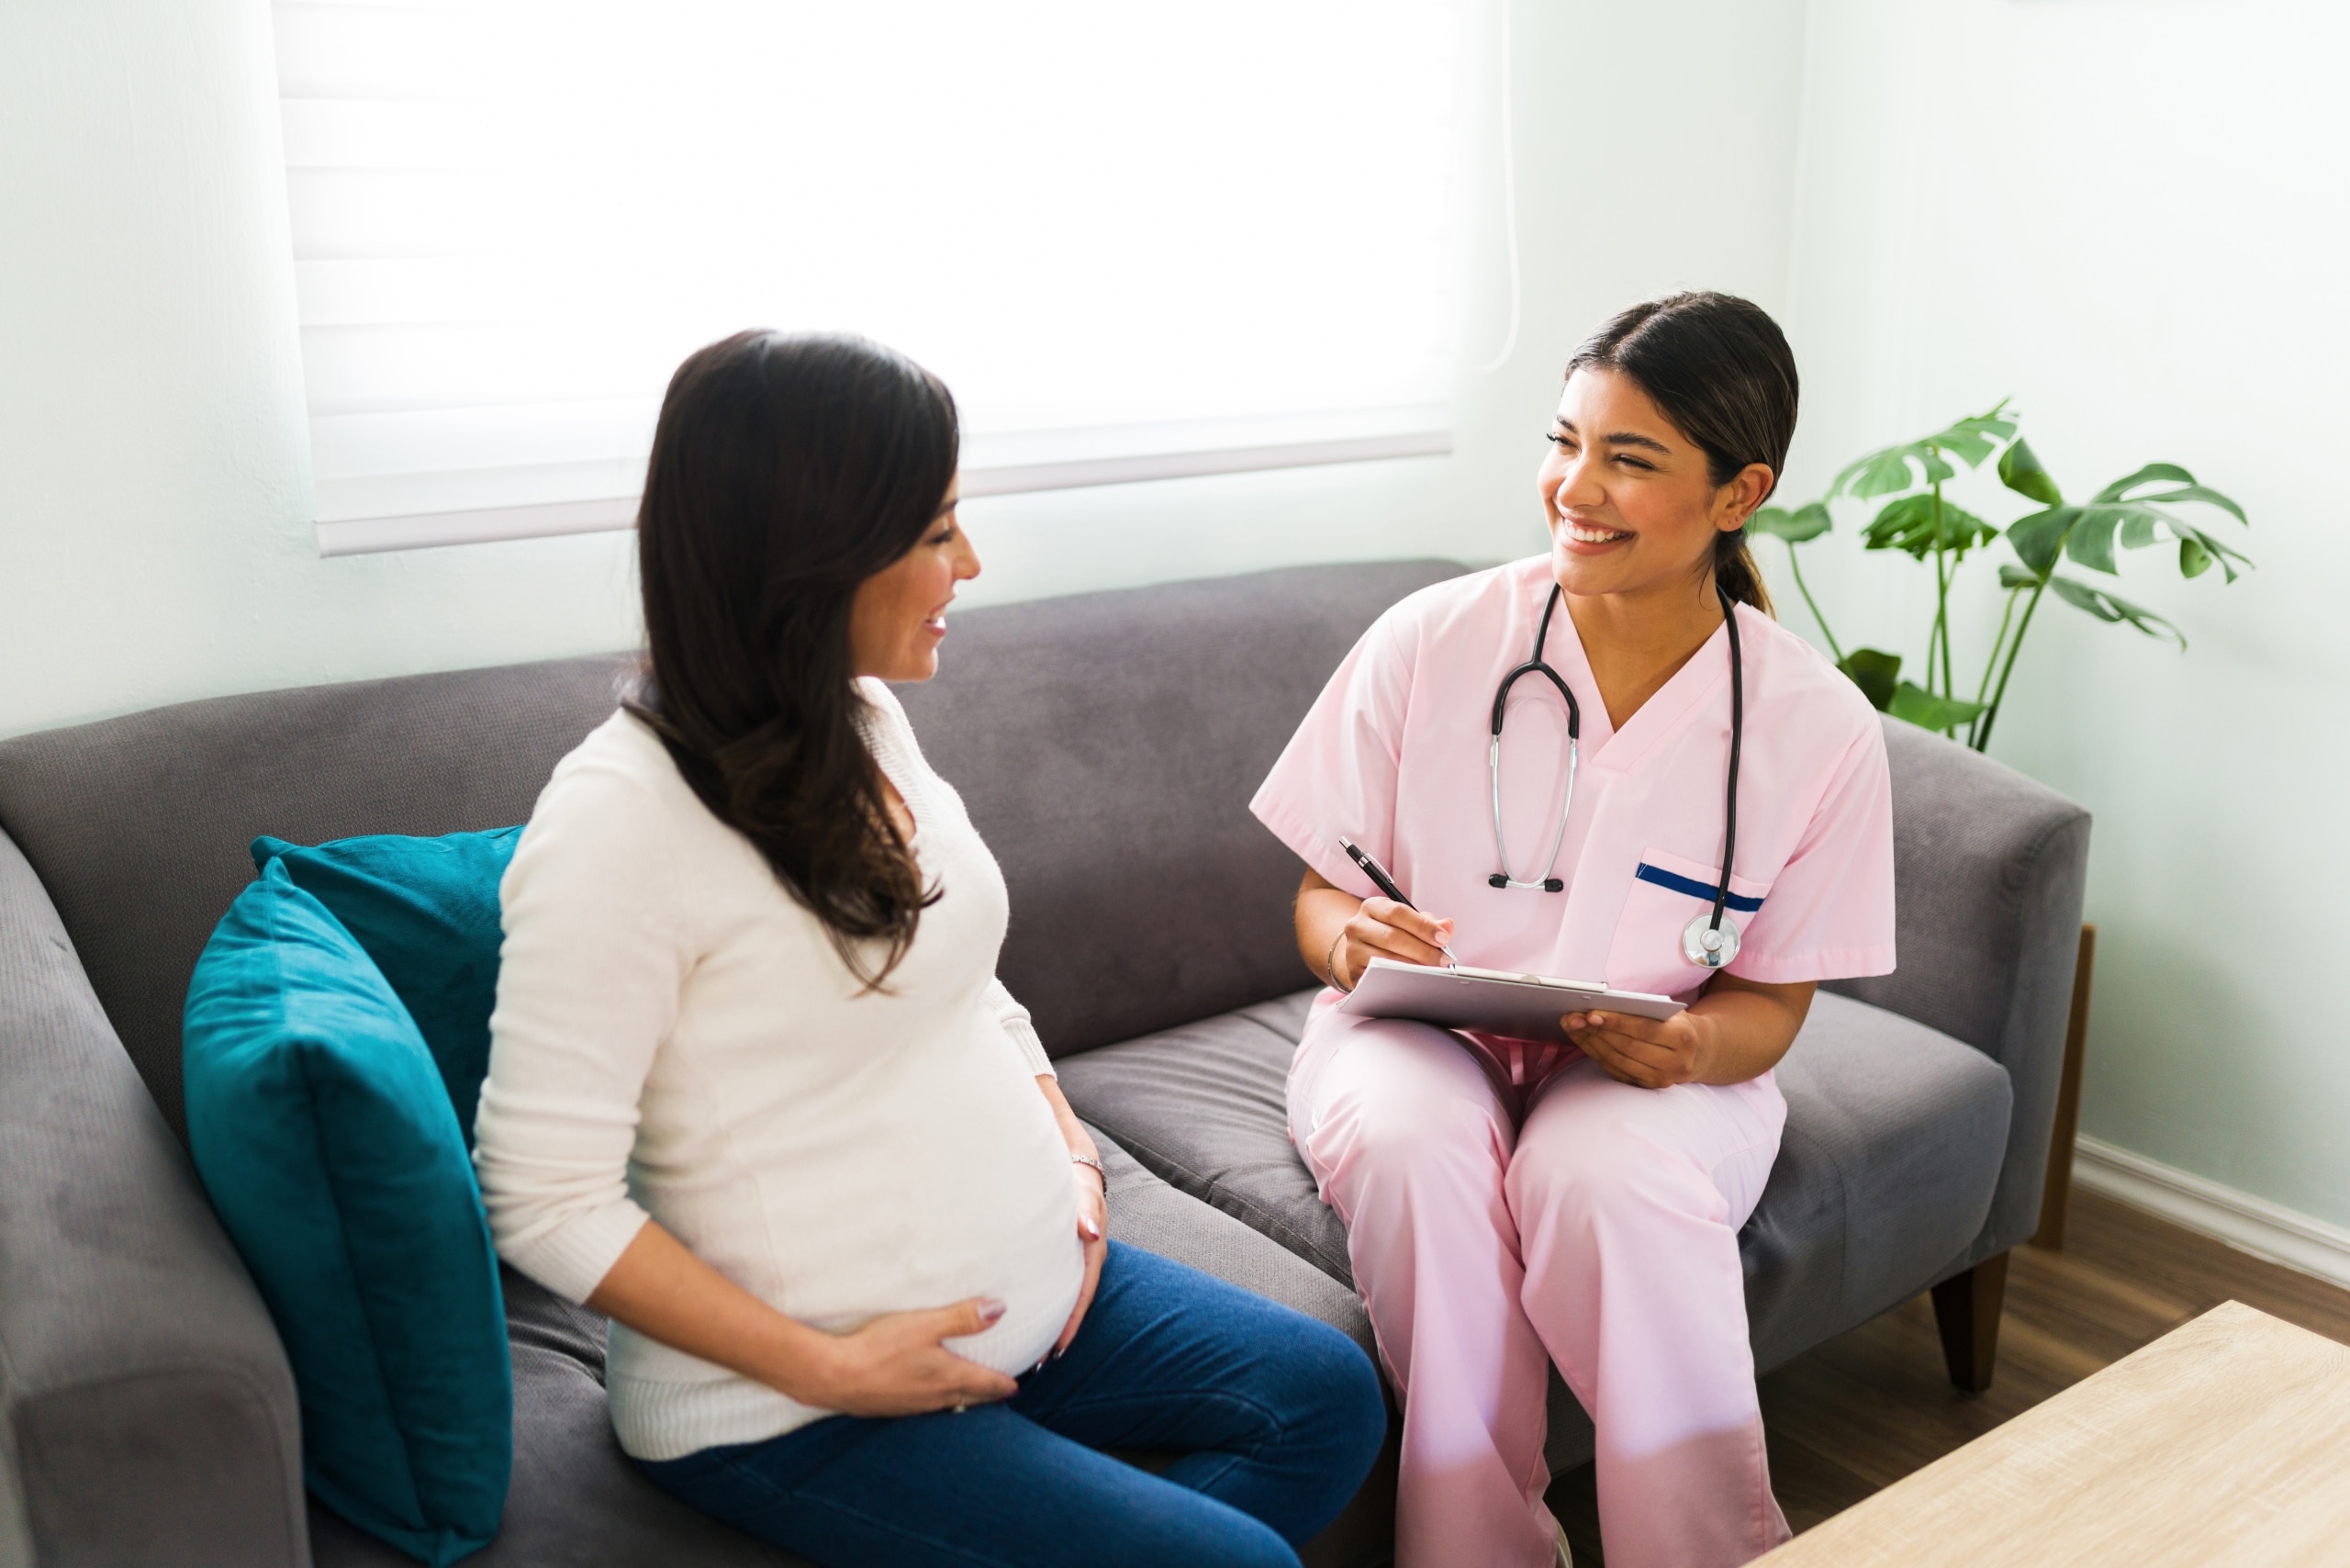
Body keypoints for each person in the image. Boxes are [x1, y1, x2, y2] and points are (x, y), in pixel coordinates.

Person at [475, 330, 1385, 1568]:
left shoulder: (858, 717)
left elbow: (964, 974)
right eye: (934, 532)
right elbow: (539, 1194)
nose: (970, 563)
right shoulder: (618, 825)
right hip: (799, 1401)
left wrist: (1069, 1148)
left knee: (1327, 1399)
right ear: (814, 560)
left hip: (1042, 1288)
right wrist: (831, 1366)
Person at [1250, 292, 1896, 1568]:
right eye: (1566, 442)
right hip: (1419, 1041)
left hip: (1651, 1070)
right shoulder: (1434, 639)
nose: (1573, 488)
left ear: (1739, 491)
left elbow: (1770, 1005)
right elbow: (1320, 891)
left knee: (1606, 1181)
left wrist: (1695, 1054)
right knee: (1412, 1155)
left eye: (1628, 459)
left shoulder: (1813, 728)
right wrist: (1348, 944)